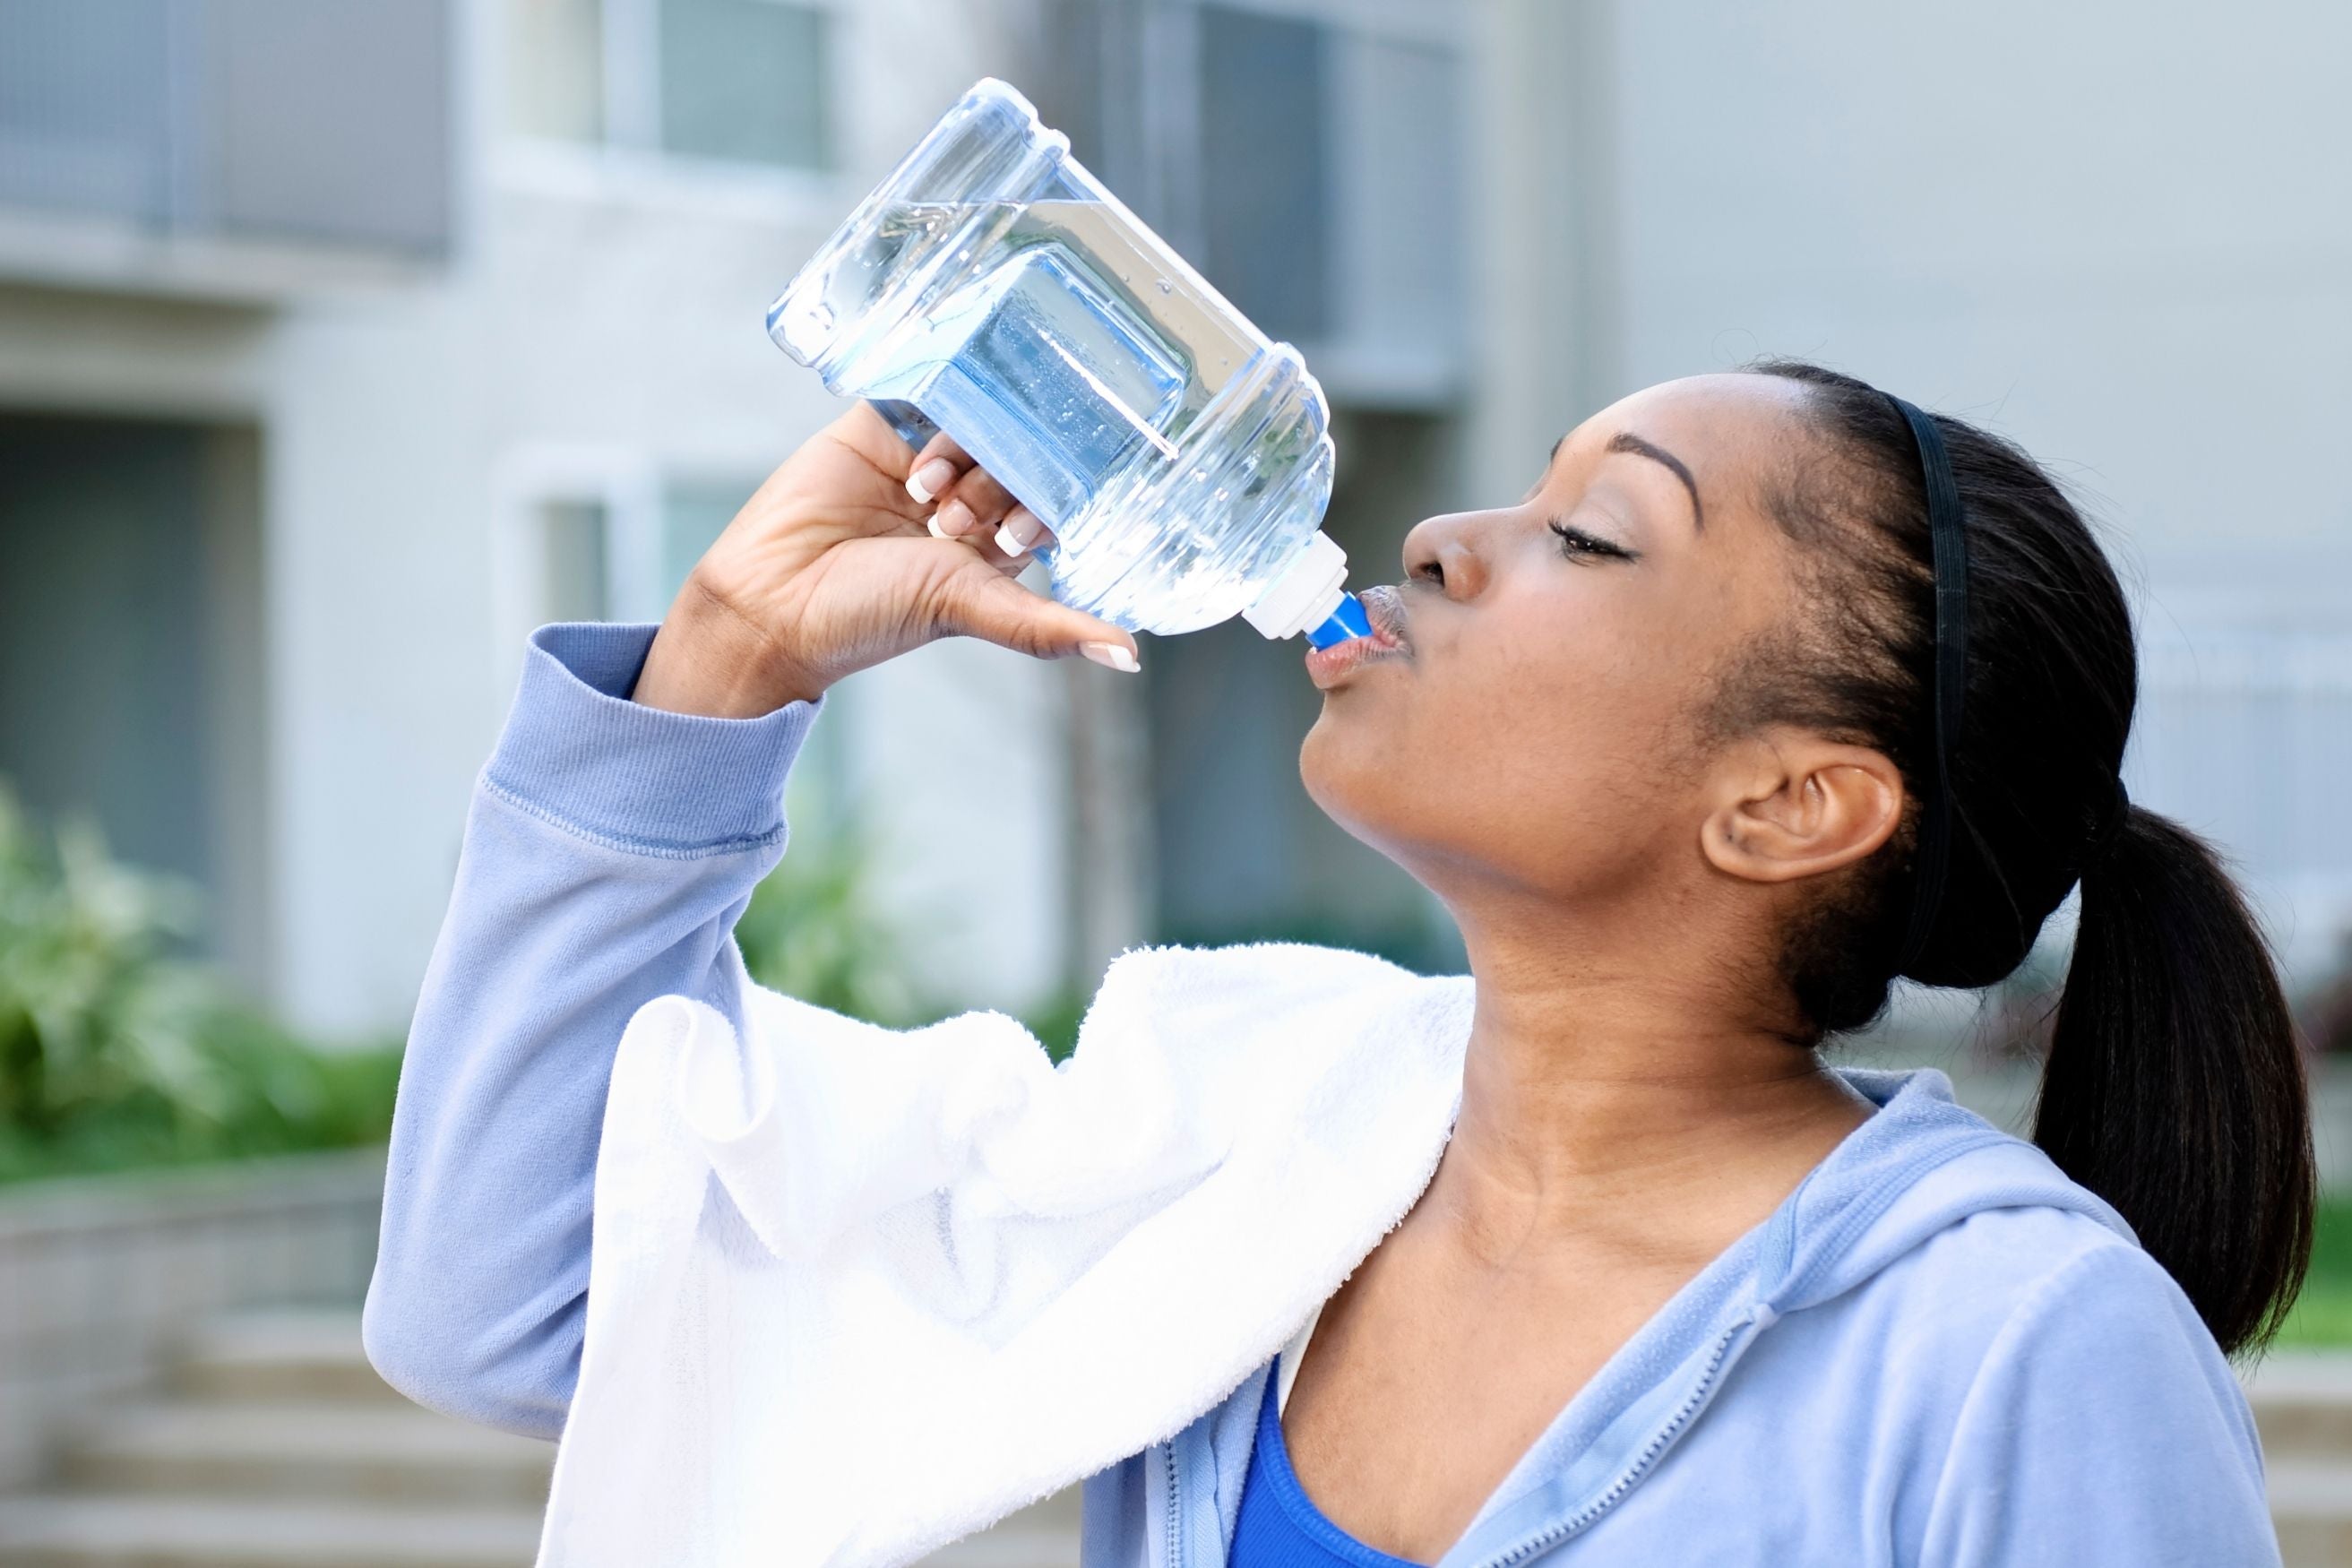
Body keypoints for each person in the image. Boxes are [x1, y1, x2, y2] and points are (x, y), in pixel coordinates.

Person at [363, 362, 2311, 1566]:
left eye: (1592, 536)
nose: (1450, 539)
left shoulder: (2008, 1350)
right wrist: (724, 658)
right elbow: (521, 1300)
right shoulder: (1241, 1142)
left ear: (1791, 804)